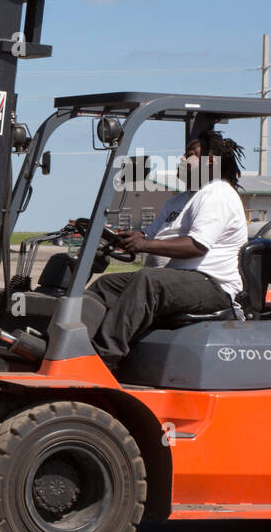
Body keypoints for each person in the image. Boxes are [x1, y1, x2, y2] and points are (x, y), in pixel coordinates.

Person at [82, 129, 248, 370]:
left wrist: (145, 244)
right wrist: (127, 237)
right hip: (180, 280)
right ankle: (77, 346)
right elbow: (149, 236)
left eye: (189, 154)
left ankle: (104, 358)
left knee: (148, 281)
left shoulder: (217, 194)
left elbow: (196, 246)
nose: (182, 160)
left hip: (212, 284)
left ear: (209, 160)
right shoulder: (178, 200)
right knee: (106, 285)